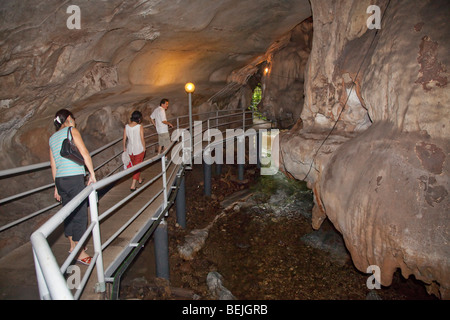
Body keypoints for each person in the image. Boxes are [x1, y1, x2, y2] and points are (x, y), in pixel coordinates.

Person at [49, 109, 96, 265]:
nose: (75, 121)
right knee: (80, 215)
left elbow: (53, 164)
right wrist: (92, 174)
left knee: (68, 212)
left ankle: (72, 246)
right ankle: (79, 252)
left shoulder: (52, 138)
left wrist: (56, 186)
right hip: (74, 177)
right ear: (68, 118)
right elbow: (84, 152)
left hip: (61, 180)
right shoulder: (71, 130)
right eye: (73, 118)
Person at [123, 111, 146, 191]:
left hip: (130, 150)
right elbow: (142, 138)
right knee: (137, 166)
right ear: (139, 118)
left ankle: (139, 179)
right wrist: (144, 147)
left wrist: (124, 148)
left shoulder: (127, 126)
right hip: (139, 149)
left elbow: (124, 138)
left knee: (134, 165)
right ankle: (133, 185)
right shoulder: (139, 127)